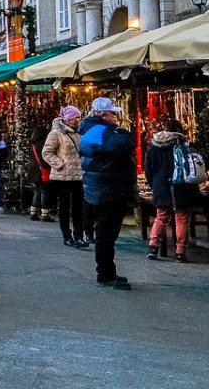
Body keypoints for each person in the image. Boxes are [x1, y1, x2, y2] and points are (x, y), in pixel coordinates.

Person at [78, 96, 136, 290]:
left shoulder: (91, 130)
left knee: (106, 233)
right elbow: (124, 145)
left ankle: (107, 271)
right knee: (106, 234)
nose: (114, 118)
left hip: (102, 188)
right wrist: (125, 134)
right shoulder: (101, 132)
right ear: (103, 115)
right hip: (108, 190)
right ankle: (105, 274)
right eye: (112, 114)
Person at [145, 117, 194, 262]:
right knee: (181, 218)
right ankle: (180, 252)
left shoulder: (153, 147)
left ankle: (153, 247)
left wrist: (153, 184)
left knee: (161, 217)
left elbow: (149, 170)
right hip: (180, 185)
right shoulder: (184, 145)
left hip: (160, 185)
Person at [41, 105, 86, 248]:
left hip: (78, 176)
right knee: (65, 207)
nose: (78, 120)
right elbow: (47, 152)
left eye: (79, 117)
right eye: (75, 117)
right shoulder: (56, 134)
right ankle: (67, 235)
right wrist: (59, 164)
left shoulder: (79, 133)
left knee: (79, 207)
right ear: (67, 118)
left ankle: (79, 236)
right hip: (61, 177)